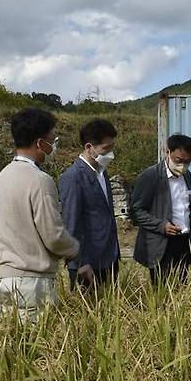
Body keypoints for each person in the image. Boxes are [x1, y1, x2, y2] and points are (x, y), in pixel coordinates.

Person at [0, 108, 79, 323]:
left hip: (3, 277)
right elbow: (53, 236)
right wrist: (75, 249)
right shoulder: (40, 180)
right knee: (33, 348)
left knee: (5, 347)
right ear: (40, 143)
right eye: (52, 140)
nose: (53, 145)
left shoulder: (3, 175)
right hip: (32, 282)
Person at [58, 118, 120, 294]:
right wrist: (79, 262)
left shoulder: (102, 172)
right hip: (87, 264)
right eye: (105, 149)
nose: (110, 154)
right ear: (88, 147)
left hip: (109, 257)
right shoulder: (73, 177)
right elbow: (71, 224)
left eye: (111, 148)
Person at [131, 134, 191, 286]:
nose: (182, 165)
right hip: (162, 242)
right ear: (167, 152)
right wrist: (161, 226)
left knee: (182, 285)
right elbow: (136, 211)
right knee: (161, 288)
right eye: (178, 160)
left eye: (188, 161)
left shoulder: (187, 175)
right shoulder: (150, 176)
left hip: (184, 240)